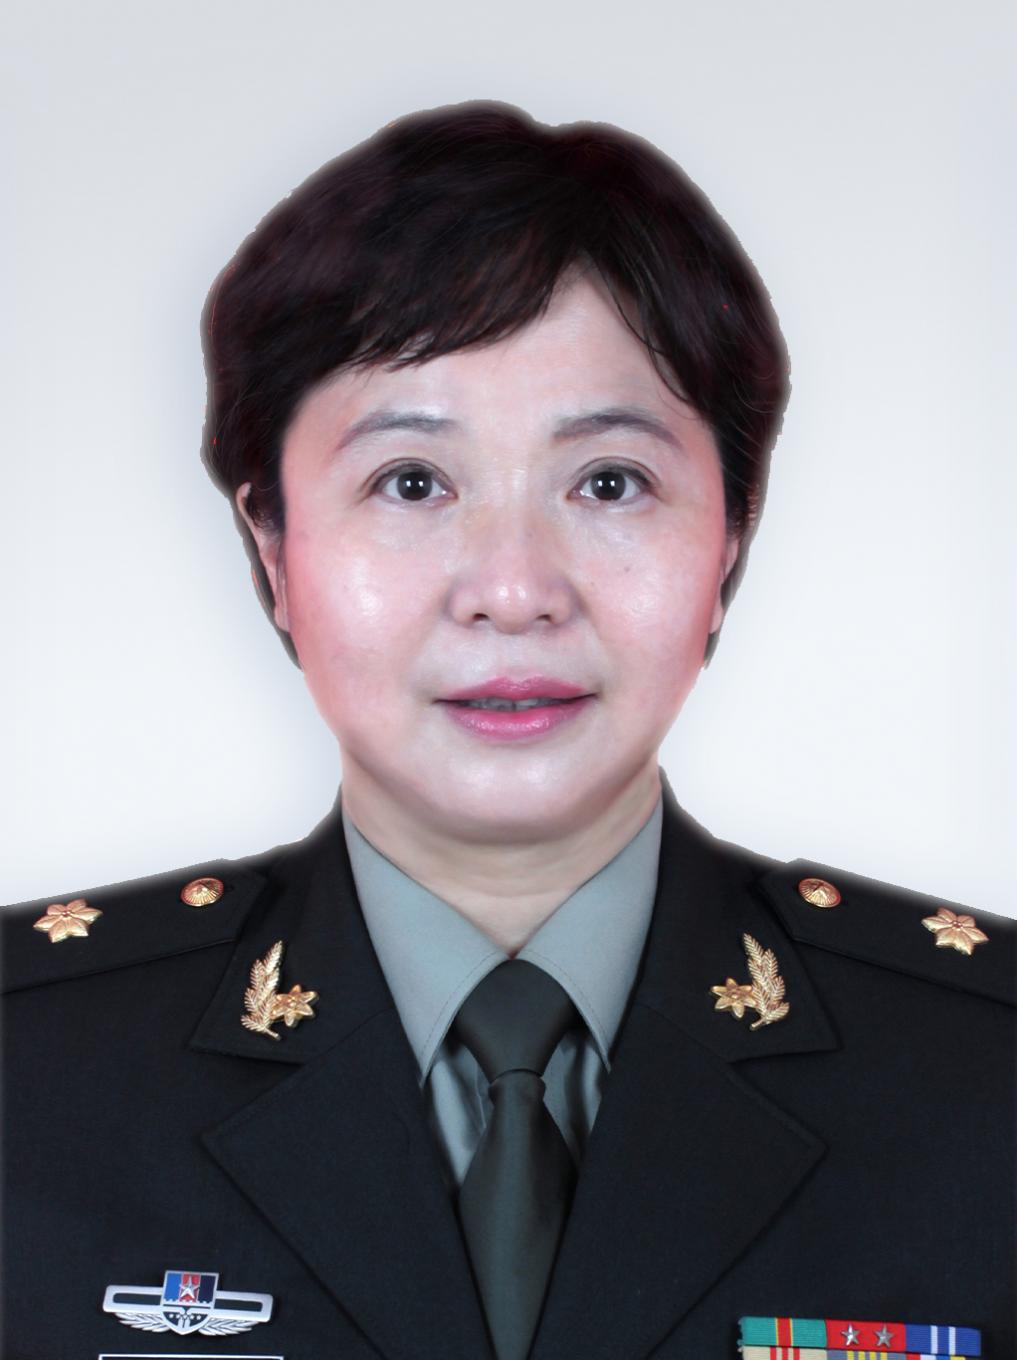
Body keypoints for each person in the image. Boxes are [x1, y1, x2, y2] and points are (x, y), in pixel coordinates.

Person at [2, 103, 1013, 1360]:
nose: (515, 588)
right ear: (273, 548)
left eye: (609, 482)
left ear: (731, 535)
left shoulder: (986, 1069)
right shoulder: (32, 1064)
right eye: (411, 482)